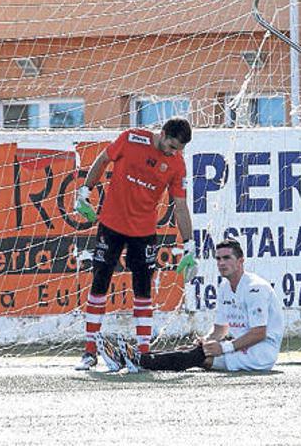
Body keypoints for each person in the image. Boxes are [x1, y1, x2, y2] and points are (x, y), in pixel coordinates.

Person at [73, 117, 197, 370]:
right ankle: (89, 351)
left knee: (143, 291)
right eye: (172, 146)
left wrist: (190, 245)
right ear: (162, 134)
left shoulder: (177, 164)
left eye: (178, 150)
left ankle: (143, 353)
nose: (173, 153)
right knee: (99, 283)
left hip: (144, 232)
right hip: (111, 225)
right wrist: (85, 191)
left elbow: (180, 205)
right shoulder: (131, 138)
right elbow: (102, 159)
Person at [97, 239, 283, 373]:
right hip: (240, 347)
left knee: (199, 357)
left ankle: (138, 360)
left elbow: (260, 332)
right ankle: (127, 358)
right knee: (194, 349)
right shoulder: (225, 287)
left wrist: (224, 348)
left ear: (241, 261)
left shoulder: (255, 288)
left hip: (260, 353)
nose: (221, 263)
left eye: (227, 258)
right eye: (218, 259)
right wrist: (207, 339)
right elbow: (220, 329)